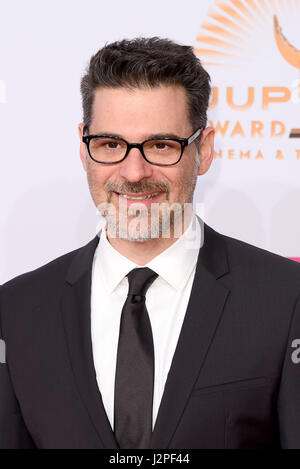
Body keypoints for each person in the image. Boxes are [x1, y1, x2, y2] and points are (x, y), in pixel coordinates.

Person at [0, 37, 300, 450]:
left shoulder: (286, 299)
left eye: (161, 145)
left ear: (204, 150)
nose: (134, 171)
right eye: (111, 145)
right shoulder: (15, 310)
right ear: (83, 148)